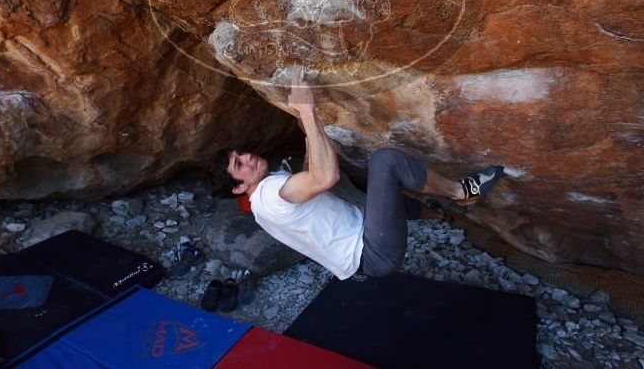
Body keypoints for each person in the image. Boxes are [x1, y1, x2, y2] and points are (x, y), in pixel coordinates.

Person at [208, 69, 504, 279]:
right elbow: (325, 179)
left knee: (383, 200)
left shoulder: (262, 205)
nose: (246, 158)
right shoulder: (270, 192)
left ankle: (440, 215)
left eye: (239, 155)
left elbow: (312, 177)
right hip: (373, 252)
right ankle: (461, 192)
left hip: (365, 250)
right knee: (386, 162)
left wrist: (308, 126)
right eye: (238, 165)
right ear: (238, 187)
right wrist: (308, 111)